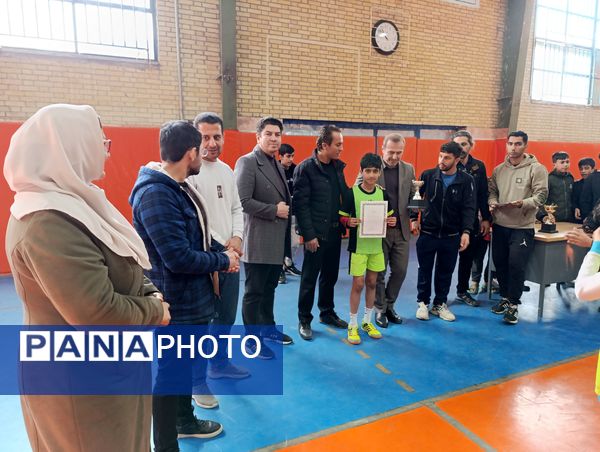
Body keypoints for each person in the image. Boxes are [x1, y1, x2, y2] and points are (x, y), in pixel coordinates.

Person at [4, 104, 170, 451]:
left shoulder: (75, 203)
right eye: (101, 142)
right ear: (70, 146)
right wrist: (155, 311)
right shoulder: (48, 222)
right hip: (80, 381)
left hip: (107, 366)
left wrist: (149, 291)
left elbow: (123, 260)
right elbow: (97, 313)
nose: (106, 152)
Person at [130, 120, 240, 450]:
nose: (204, 154)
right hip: (175, 303)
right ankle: (166, 444)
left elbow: (198, 237)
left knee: (181, 369)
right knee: (170, 374)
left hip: (191, 300)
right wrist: (222, 261)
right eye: (200, 148)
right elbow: (178, 257)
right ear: (191, 152)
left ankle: (184, 420)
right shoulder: (156, 194)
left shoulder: (177, 187)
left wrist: (224, 252)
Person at [187, 112, 249, 410]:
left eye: (216, 137)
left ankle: (220, 363)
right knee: (203, 321)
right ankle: (196, 381)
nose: (212, 143)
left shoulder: (226, 170)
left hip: (230, 257)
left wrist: (236, 239)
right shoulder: (190, 173)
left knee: (226, 315)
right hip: (208, 259)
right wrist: (221, 251)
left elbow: (236, 208)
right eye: (205, 137)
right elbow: (196, 219)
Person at [235, 116, 294, 355]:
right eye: (268, 134)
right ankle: (252, 340)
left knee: (269, 289)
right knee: (254, 292)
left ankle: (268, 328)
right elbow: (242, 201)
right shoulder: (248, 162)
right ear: (258, 137)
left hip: (276, 240)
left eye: (277, 134)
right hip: (258, 241)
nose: (273, 138)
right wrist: (274, 210)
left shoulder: (276, 163)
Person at [293, 125, 349, 341]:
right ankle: (304, 319)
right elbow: (301, 205)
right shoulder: (306, 168)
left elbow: (344, 196)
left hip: (335, 233)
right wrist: (309, 235)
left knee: (330, 277)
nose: (341, 148)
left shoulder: (337, 167)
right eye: (338, 144)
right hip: (315, 236)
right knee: (309, 279)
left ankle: (327, 313)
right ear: (324, 145)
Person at [411, 141, 475, 322]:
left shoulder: (466, 180)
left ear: (457, 159)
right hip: (428, 233)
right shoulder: (428, 175)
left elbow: (469, 208)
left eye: (446, 158)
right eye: (440, 156)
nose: (441, 160)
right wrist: (413, 218)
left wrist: (466, 232)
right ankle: (423, 303)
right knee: (424, 270)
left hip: (452, 235)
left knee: (445, 272)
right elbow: (416, 197)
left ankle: (439, 304)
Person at [488, 130, 548, 325]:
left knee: (516, 264)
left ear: (525, 146)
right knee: (500, 263)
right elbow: (492, 191)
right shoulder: (499, 170)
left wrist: (523, 203)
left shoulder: (537, 169)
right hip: (500, 225)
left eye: (518, 144)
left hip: (522, 227)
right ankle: (505, 298)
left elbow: (541, 196)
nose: (513, 148)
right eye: (510, 143)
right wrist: (492, 202)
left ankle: (514, 304)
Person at [356, 133, 414, 328]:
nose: (395, 157)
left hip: (402, 229)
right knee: (378, 273)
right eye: (391, 152)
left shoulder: (409, 169)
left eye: (399, 152)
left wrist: (416, 212)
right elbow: (357, 189)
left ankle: (389, 304)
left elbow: (413, 195)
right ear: (382, 149)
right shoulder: (372, 167)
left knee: (400, 271)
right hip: (378, 231)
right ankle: (380, 309)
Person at [340, 153, 396, 344]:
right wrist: (348, 221)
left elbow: (390, 217)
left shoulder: (383, 194)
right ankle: (352, 324)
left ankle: (367, 321)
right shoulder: (351, 193)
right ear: (361, 172)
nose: (371, 175)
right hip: (358, 247)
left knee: (372, 283)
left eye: (375, 171)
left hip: (376, 247)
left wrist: (392, 221)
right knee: (358, 284)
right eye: (368, 171)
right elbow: (341, 216)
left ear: (379, 173)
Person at [452, 131, 492, 307]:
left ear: (471, 145)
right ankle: (439, 296)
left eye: (464, 144)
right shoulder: (448, 163)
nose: (461, 147)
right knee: (446, 259)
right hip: (451, 220)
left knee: (467, 258)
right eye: (457, 144)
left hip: (471, 220)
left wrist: (486, 218)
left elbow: (483, 194)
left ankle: (462, 291)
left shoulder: (478, 166)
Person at [278, 143, 302, 283]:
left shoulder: (296, 169)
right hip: (280, 214)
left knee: (294, 243)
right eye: (288, 156)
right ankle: (279, 269)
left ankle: (288, 263)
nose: (291, 159)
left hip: (294, 214)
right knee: (280, 243)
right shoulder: (275, 170)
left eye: (292, 156)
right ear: (280, 156)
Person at [537, 151, 574, 223]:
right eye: (562, 162)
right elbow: (541, 200)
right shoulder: (549, 179)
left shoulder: (570, 178)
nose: (566, 164)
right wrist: (543, 216)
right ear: (554, 164)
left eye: (567, 162)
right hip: (553, 219)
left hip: (569, 219)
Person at [573, 157, 595, 222]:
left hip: (595, 219)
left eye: (586, 168)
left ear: (593, 169)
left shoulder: (597, 184)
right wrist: (575, 208)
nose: (583, 171)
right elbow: (574, 200)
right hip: (579, 219)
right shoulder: (576, 184)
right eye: (581, 169)